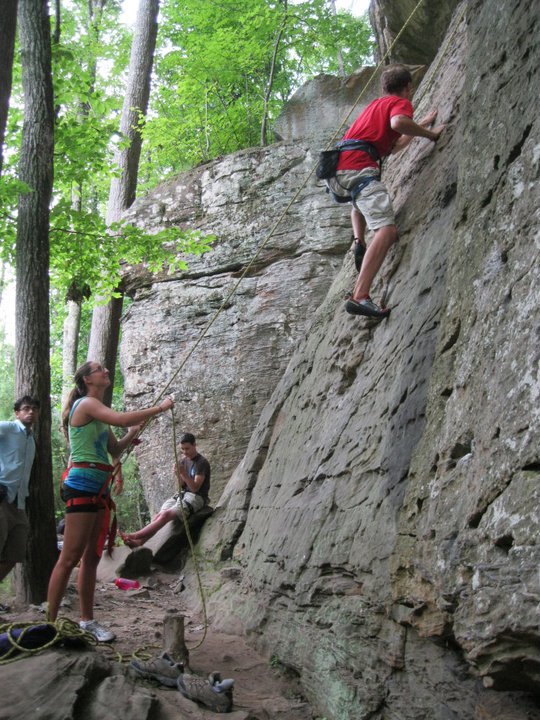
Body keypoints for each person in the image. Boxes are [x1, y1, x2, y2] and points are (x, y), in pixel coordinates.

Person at [46, 361, 174, 642]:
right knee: (69, 558)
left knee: (91, 557)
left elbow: (114, 448)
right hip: (81, 486)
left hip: (98, 488)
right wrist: (160, 408)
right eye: (99, 369)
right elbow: (121, 418)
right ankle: (49, 625)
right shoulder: (86, 404)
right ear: (87, 380)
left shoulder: (98, 414)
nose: (106, 371)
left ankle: (87, 621)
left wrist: (131, 434)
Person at [327, 64, 445, 319]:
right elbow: (400, 122)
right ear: (408, 88)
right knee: (387, 230)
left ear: (383, 88)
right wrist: (430, 135)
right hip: (359, 168)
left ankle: (359, 240)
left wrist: (420, 125)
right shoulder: (398, 102)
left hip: (340, 172)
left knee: (360, 198)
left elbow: (392, 146)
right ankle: (360, 295)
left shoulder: (374, 107)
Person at [122, 432, 210, 548]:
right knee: (159, 515)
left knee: (165, 515)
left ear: (195, 445)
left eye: (187, 448)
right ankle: (140, 542)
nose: (184, 452)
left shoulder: (202, 463)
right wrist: (178, 475)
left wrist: (184, 473)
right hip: (183, 494)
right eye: (182, 449)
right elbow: (181, 486)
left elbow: (195, 488)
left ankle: (135, 535)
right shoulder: (184, 461)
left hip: (197, 497)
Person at [0, 396, 40, 610]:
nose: (30, 412)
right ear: (17, 413)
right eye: (26, 409)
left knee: (15, 553)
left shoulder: (31, 439)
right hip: (1, 499)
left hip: (19, 503)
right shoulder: (7, 428)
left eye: (34, 409)